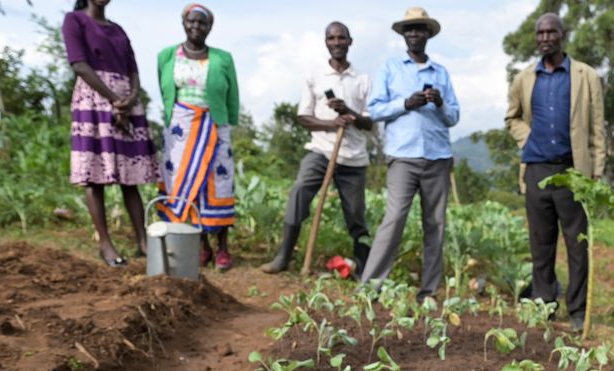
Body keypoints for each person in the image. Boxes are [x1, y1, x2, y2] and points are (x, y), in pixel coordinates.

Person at [505, 12, 605, 332]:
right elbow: (513, 117)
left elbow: (597, 130)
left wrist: (595, 174)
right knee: (541, 244)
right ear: (536, 38)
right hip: (536, 170)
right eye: (540, 33)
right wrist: (528, 137)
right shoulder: (524, 78)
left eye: (551, 32)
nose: (545, 37)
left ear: (562, 35)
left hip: (572, 173)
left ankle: (577, 311)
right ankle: (545, 306)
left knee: (577, 245)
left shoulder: (584, 75)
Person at [359, 7, 460, 302]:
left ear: (428, 33)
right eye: (409, 29)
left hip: (437, 157)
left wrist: (439, 103)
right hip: (403, 156)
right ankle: (369, 289)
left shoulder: (440, 73)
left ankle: (428, 292)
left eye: (419, 28)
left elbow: (453, 116)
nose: (414, 33)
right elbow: (375, 110)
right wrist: (406, 103)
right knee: (394, 219)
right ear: (404, 35)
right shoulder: (390, 68)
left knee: (435, 225)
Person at [261, 22, 373, 275]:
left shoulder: (363, 80)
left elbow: (369, 123)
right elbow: (304, 117)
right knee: (299, 192)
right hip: (320, 151)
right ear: (326, 42)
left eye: (341, 38)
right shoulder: (314, 75)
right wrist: (332, 123)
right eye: (331, 38)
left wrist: (349, 112)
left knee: (356, 215)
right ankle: (283, 257)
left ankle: (363, 268)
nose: (336, 43)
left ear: (350, 41)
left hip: (353, 158)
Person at [63, 0, 158, 266]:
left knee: (131, 178)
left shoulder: (118, 30)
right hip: (94, 99)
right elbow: (79, 65)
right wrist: (113, 99)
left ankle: (143, 241)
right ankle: (105, 244)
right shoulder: (75, 21)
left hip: (126, 101)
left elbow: (133, 70)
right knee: (95, 177)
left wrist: (130, 98)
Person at [156, 4, 240, 271]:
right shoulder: (166, 55)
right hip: (180, 130)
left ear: (210, 27)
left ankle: (223, 248)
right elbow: (165, 90)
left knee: (218, 184)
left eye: (202, 23)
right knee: (186, 184)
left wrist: (227, 125)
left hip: (215, 126)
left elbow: (232, 96)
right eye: (191, 21)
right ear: (184, 22)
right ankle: (201, 246)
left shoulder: (223, 58)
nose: (196, 27)